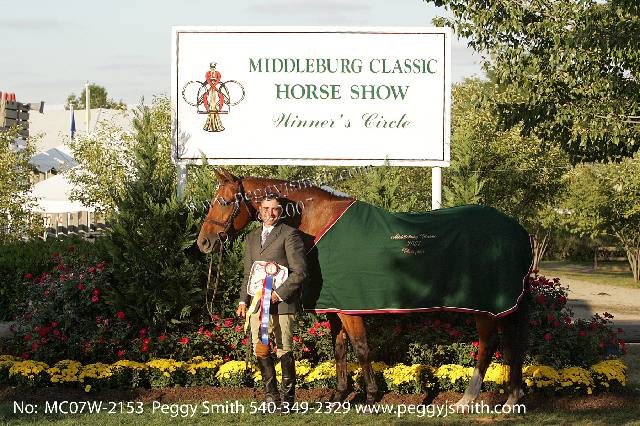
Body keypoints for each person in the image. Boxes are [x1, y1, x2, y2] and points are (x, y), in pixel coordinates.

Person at [236, 193, 308, 410]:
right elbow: (249, 273)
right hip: (257, 304)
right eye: (266, 209)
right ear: (259, 211)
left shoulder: (290, 234)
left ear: (281, 211)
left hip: (283, 304)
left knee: (284, 349)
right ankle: (270, 398)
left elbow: (300, 272)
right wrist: (243, 301)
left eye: (275, 209)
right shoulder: (251, 237)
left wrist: (278, 294)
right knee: (260, 348)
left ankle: (288, 400)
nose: (270, 213)